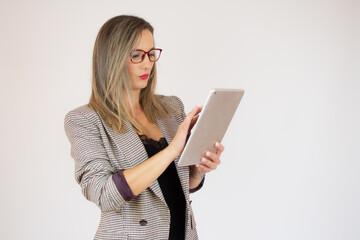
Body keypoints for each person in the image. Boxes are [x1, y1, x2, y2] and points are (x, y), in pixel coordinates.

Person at [64, 15, 224, 240]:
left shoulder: (170, 107)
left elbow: (169, 187)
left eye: (150, 53)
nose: (147, 63)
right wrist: (171, 151)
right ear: (111, 59)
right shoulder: (85, 120)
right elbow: (103, 194)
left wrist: (197, 171)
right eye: (136, 55)